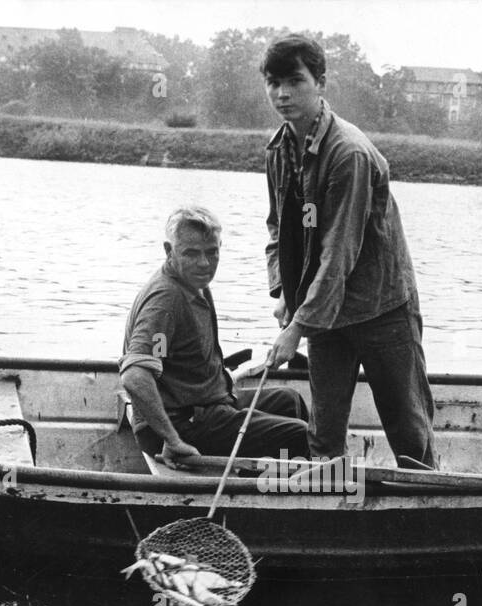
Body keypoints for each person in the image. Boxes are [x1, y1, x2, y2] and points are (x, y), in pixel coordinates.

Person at [261, 34, 436, 468]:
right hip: (325, 312)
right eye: (273, 82)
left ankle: (428, 512)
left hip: (382, 308)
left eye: (295, 81)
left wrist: (297, 327)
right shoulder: (280, 149)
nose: (282, 94)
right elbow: (279, 227)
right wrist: (283, 289)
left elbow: (338, 253)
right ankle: (328, 514)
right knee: (324, 435)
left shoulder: (349, 154)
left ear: (319, 82)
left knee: (408, 429)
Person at [120, 206, 310, 466]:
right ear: (169, 251)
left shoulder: (193, 284)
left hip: (204, 405)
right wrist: (173, 440)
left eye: (212, 252)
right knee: (300, 435)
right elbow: (135, 374)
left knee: (291, 402)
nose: (204, 263)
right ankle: (302, 498)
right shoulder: (166, 302)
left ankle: (267, 480)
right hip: (178, 427)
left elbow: (160, 357)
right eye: (191, 253)